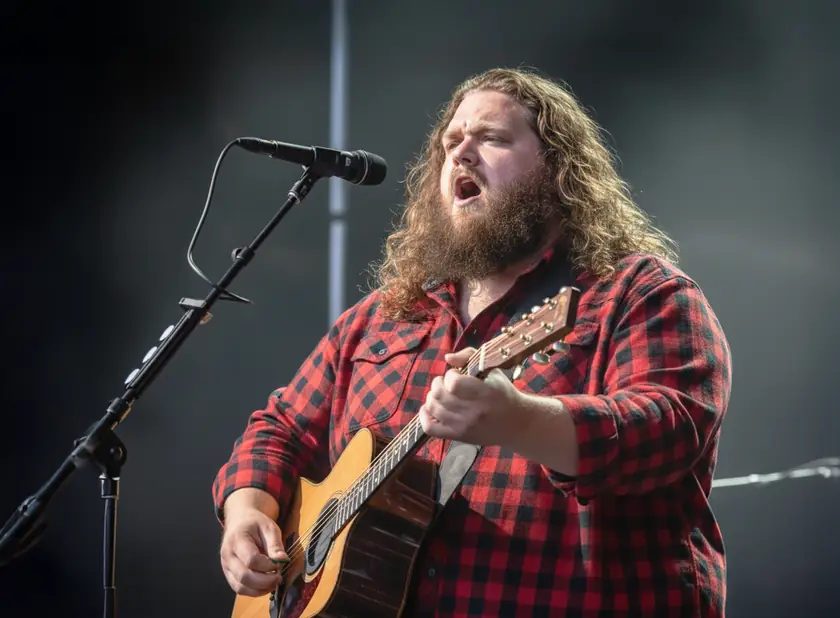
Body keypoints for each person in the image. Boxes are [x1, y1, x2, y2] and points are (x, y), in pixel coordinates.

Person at [213, 67, 733, 617]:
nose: (461, 153)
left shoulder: (638, 295)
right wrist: (248, 510)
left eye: (491, 138)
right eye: (451, 142)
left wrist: (519, 420)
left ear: (560, 171)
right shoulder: (384, 318)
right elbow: (281, 427)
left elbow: (669, 429)